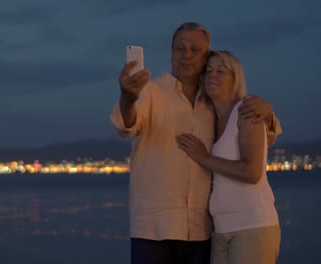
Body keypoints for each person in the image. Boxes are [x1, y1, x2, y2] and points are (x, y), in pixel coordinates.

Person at [110, 22, 281, 264]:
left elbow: (265, 135)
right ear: (171, 53)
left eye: (195, 49)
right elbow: (126, 124)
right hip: (154, 230)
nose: (187, 55)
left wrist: (267, 111)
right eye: (180, 48)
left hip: (200, 232)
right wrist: (127, 96)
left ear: (205, 56)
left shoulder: (213, 101)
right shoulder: (150, 92)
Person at [176, 50, 281, 264]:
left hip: (251, 226)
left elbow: (252, 172)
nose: (212, 75)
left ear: (235, 78)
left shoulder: (246, 111)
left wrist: (204, 157)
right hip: (222, 231)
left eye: (221, 71)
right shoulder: (210, 120)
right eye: (208, 71)